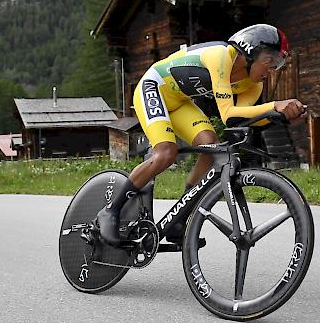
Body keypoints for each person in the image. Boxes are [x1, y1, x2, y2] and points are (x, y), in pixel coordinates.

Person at [97, 24, 307, 245]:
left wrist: (279, 116)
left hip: (180, 103)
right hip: (154, 87)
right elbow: (228, 115)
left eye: (277, 64)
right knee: (166, 153)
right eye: (270, 61)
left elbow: (242, 120)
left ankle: (181, 217)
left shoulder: (252, 86)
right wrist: (275, 106)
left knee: (210, 146)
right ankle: (111, 210)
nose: (271, 70)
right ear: (250, 50)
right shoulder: (221, 56)